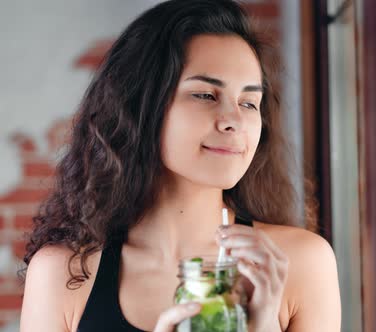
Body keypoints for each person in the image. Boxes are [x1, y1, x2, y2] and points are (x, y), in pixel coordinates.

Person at [19, 1, 341, 331]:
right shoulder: (64, 273)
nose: (234, 121)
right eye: (205, 95)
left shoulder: (301, 263)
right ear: (141, 108)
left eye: (248, 102)